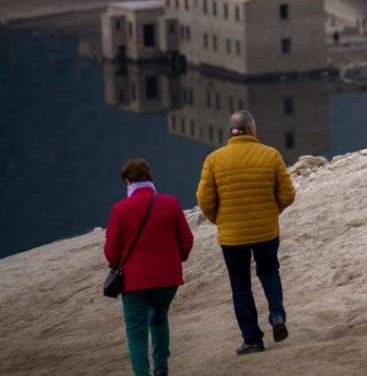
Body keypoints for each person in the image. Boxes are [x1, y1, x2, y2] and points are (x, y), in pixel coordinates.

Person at [196, 111, 297, 355]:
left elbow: (204, 200)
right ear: (252, 129)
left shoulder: (213, 160)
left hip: (232, 236)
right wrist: (272, 212)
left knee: (240, 285)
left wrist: (219, 220)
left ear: (230, 133)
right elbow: (288, 194)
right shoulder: (271, 155)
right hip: (265, 231)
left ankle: (252, 339)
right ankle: (276, 315)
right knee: (269, 271)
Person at [104, 158, 194, 376]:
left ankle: (142, 373)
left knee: (136, 331)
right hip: (167, 280)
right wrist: (176, 259)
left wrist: (115, 265)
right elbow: (187, 240)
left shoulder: (120, 209)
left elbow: (111, 250)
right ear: (150, 178)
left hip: (135, 282)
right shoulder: (171, 203)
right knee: (159, 318)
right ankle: (162, 370)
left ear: (127, 182)